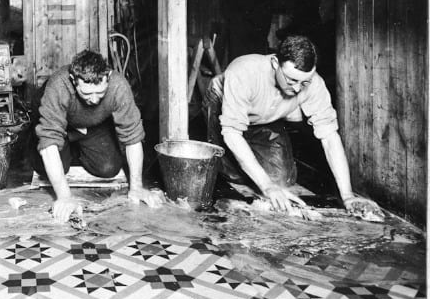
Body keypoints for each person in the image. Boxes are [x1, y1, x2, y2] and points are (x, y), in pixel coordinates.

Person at [203, 34, 379, 215]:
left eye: (304, 82)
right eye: (291, 80)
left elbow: (330, 137)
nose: (296, 89)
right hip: (222, 104)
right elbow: (232, 132)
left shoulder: (315, 84)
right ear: (274, 63)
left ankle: (251, 151)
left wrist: (348, 195)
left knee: (282, 180)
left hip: (265, 116)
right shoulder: (243, 71)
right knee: (236, 174)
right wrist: (267, 187)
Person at [32, 49, 163, 222]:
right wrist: (64, 197)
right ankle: (59, 147)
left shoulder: (118, 85)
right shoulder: (58, 84)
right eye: (86, 93)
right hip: (57, 125)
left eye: (99, 93)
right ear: (73, 80)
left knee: (108, 168)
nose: (94, 100)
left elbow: (133, 137)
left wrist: (137, 187)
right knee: (52, 168)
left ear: (107, 77)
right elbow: (49, 142)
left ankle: (78, 147)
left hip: (91, 126)